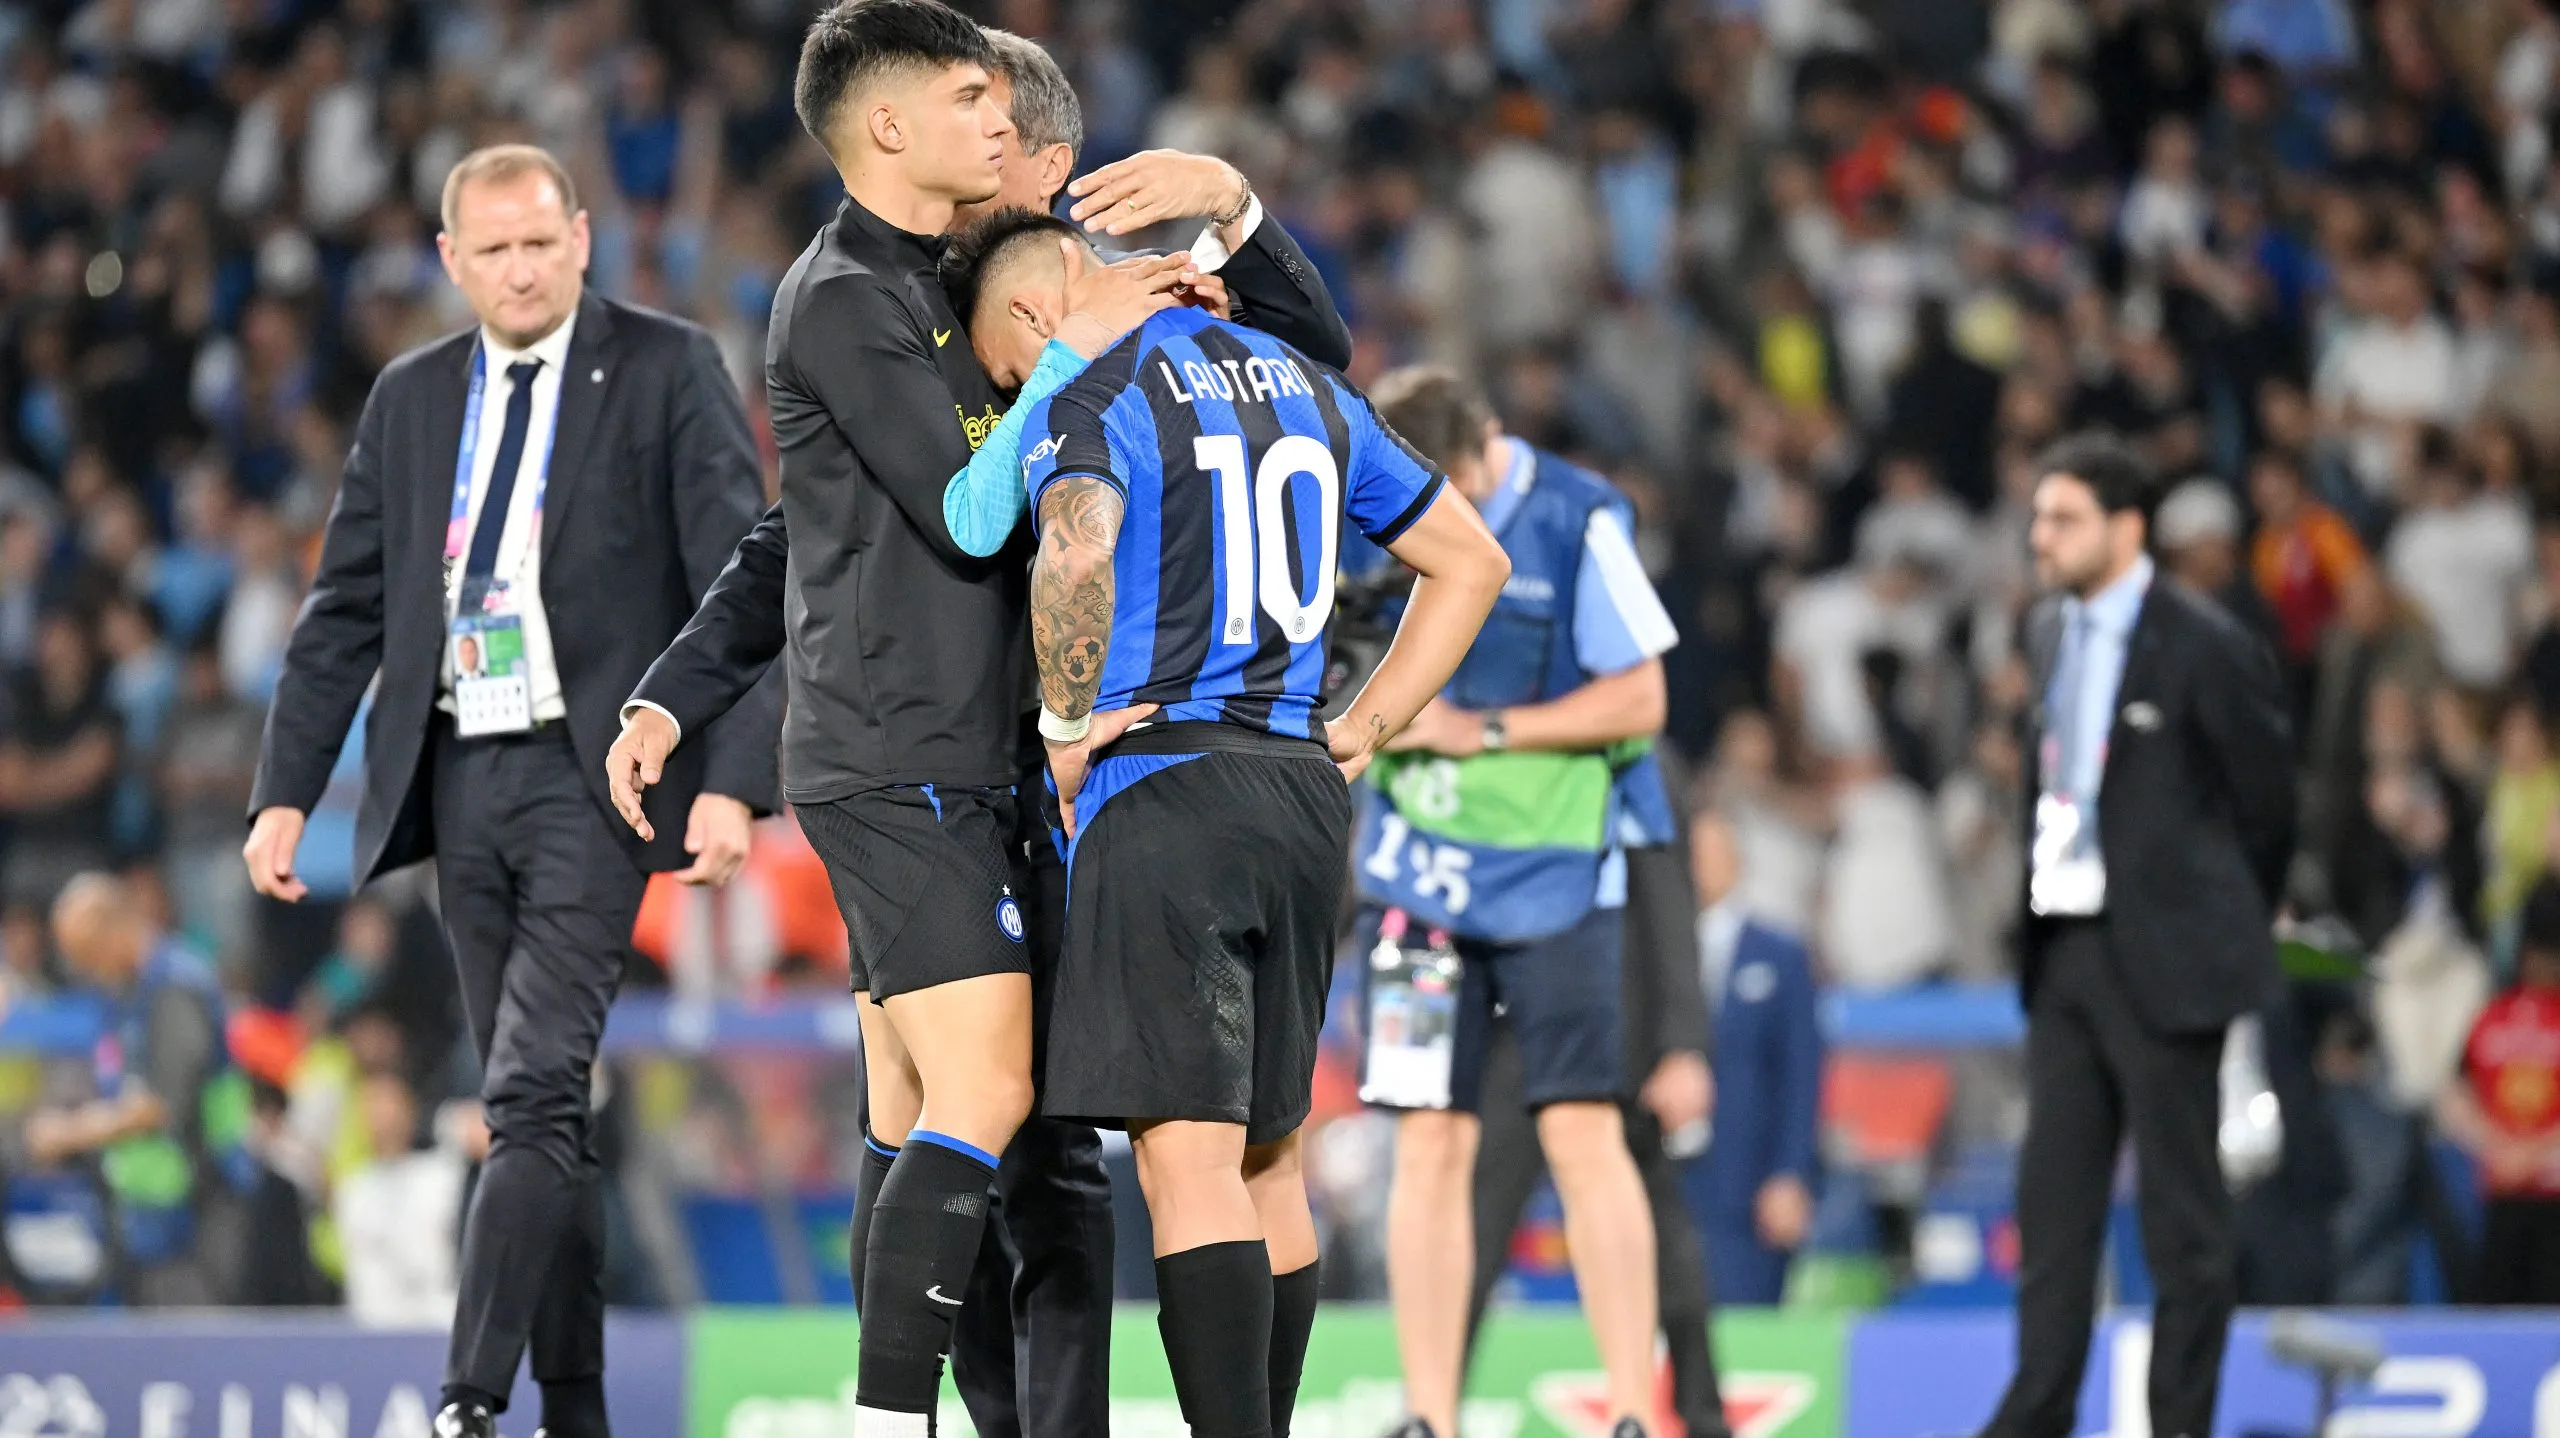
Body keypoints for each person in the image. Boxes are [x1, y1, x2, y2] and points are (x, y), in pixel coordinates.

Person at [601, 7, 1191, 1433]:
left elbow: (794, 533)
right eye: (973, 97)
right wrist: (1076, 350)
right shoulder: (843, 294)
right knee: (990, 1093)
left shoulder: (948, 274)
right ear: (888, 124)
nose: (1002, 123)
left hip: (990, 759)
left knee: (962, 1123)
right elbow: (963, 508)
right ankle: (882, 1416)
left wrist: (676, 688)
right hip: (896, 758)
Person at [242, 142, 783, 1438]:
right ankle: (578, 1413)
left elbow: (744, 583)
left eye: (542, 242)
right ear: (452, 261)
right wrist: (284, 790)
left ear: (583, 238)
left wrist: (731, 785)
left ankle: (467, 1401)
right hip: (457, 775)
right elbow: (346, 609)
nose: (522, 268)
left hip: (601, 777)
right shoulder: (413, 395)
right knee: (539, 1118)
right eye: (494, 249)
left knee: (534, 1093)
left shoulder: (664, 365)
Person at [947, 204, 1507, 1438]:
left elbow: (1073, 559)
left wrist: (1060, 730)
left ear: (1042, 311)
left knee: (1186, 1157)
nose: (1013, 382)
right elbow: (1471, 563)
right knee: (1271, 1154)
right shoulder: (1312, 388)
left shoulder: (1096, 394)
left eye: (1005, 356)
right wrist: (1365, 723)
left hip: (1166, 789)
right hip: (1304, 799)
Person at [942, 30, 1360, 1438]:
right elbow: (965, 511)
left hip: (1140, 760)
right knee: (1169, 1147)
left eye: (1000, 134)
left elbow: (1307, 373)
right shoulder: (916, 290)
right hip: (1122, 774)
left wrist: (1237, 209)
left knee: (1209, 1145)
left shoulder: (1131, 309)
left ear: (1047, 157)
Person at [1351, 366, 1680, 1438]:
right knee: (1428, 1141)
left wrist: (1485, 731)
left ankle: (1631, 1407)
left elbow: (1642, 695)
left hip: (1560, 878)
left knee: (1584, 1129)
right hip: (1419, 888)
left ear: (1483, 453)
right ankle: (1428, 1416)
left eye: (1445, 495)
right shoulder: (1364, 508)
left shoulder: (1580, 519)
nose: (1421, 527)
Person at [1977, 433, 2294, 1438]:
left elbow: (2268, 806)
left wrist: (2212, 918)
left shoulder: (2204, 641)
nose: (2040, 537)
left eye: (2062, 518)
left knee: (2182, 1230)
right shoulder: (2042, 634)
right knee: (2053, 1218)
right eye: (2037, 517)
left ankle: (2178, 1427)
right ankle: (2034, 1415)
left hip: (2166, 962)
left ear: (2127, 527)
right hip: (2064, 952)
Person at [1462, 779, 1732, 1438]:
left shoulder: (1632, 738)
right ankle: (1431, 1409)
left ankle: (1694, 1416)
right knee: (1474, 1223)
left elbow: (1669, 902)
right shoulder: (1492, 733)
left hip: (1612, 1032)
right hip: (1512, 1028)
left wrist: (1682, 1044)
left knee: (1655, 1229)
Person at [22, 872, 232, 1304]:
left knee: (196, 1353)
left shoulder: (176, 986)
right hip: (150, 1210)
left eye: (87, 953)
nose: (86, 968)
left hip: (203, 1210)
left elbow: (160, 1105)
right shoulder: (127, 992)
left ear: (114, 928)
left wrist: (71, 1132)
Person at [1687, 811, 1822, 1307]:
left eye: (1711, 853)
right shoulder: (1652, 955)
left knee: (1744, 1342)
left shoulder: (1780, 955)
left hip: (1749, 1191)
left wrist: (1790, 1173)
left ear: (1736, 861)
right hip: (1672, 1188)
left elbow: (1801, 1075)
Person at [2436, 877, 2560, 1303]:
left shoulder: (2494, 1016)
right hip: (2502, 1201)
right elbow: (2452, 1096)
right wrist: (2497, 1145)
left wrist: (2531, 1151)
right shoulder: (2493, 1017)